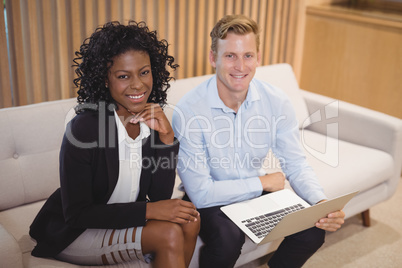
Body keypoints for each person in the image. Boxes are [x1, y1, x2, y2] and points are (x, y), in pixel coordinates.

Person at [172, 14, 345, 268]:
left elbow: (295, 164)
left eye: (248, 56)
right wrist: (262, 182)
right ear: (213, 58)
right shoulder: (189, 109)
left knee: (312, 229)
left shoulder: (276, 101)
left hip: (255, 191)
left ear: (258, 58)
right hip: (211, 198)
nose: (240, 66)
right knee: (227, 239)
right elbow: (201, 193)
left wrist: (321, 204)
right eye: (230, 55)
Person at [29, 21, 200, 268]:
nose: (138, 85)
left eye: (144, 72)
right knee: (169, 233)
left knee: (191, 220)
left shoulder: (150, 119)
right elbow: (78, 214)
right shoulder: (85, 128)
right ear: (105, 80)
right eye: (123, 76)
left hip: (122, 220)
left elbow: (160, 196)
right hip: (77, 232)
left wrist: (166, 138)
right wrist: (148, 212)